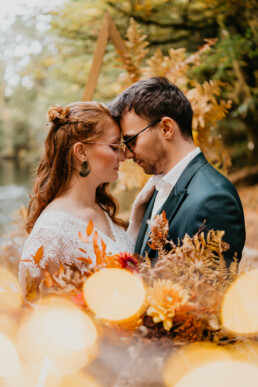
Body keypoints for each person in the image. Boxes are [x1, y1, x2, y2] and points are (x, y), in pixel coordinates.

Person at [19, 102, 152, 297]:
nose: (124, 155)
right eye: (115, 147)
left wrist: (136, 219)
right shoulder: (51, 231)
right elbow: (27, 308)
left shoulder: (99, 207)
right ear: (81, 152)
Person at [109, 76, 246, 266]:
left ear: (166, 128)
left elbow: (210, 291)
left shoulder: (213, 200)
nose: (129, 154)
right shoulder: (156, 190)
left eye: (132, 141)